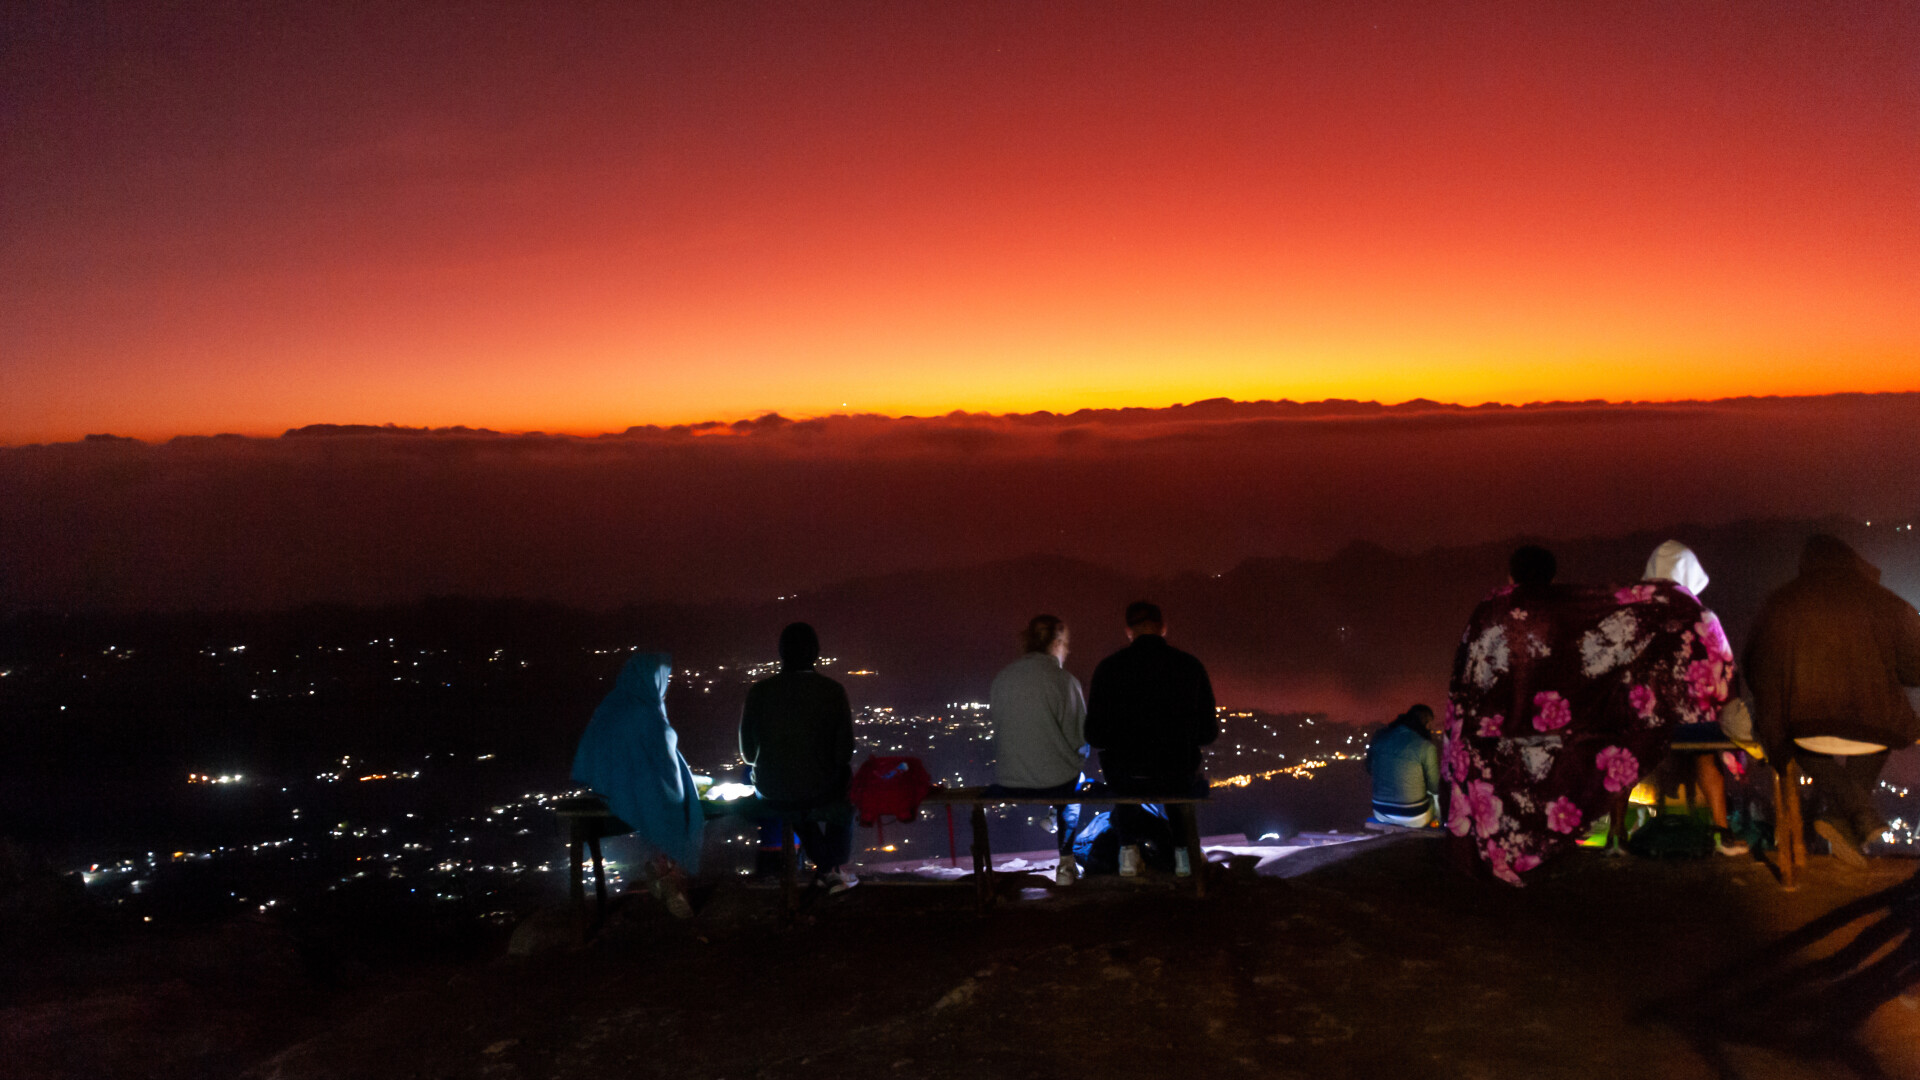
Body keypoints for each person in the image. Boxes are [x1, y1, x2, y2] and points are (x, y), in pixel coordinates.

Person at [1444, 546, 1733, 884]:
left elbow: (1466, 675)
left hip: (1491, 725)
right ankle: (1720, 832)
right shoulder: (1576, 611)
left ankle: (1500, 847)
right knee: (1624, 746)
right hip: (1555, 722)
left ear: (1511, 575)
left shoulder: (1489, 610)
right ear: (1553, 580)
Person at [1744, 534, 1920, 869]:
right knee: (1876, 732)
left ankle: (1851, 816)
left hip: (1805, 727)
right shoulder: (1887, 603)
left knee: (1795, 742)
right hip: (1875, 728)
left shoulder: (1779, 603)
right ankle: (1854, 816)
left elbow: (1755, 667)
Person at [1085, 601, 1217, 875]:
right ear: (1163, 627)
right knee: (1178, 780)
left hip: (1125, 775)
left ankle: (1128, 855)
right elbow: (1208, 733)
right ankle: (1183, 857)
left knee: (1123, 779)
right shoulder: (1190, 666)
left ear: (1128, 631)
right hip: (1177, 772)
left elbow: (1094, 735)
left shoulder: (1108, 669)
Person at [571, 652, 705, 918]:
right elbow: (666, 768)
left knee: (662, 801)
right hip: (628, 799)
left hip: (604, 792)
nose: (666, 687)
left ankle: (662, 870)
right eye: (664, 679)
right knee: (680, 808)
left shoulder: (611, 704)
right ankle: (672, 877)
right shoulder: (648, 714)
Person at [1640, 541, 1748, 856]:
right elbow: (1726, 668)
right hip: (1697, 726)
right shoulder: (1704, 617)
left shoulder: (1636, 616)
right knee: (1707, 757)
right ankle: (1721, 832)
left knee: (1624, 759)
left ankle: (1616, 836)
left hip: (1647, 723)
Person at [739, 622, 858, 891]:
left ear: (781, 653)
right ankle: (835, 863)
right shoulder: (833, 691)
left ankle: (829, 868)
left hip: (772, 792)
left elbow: (748, 755)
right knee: (844, 785)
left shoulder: (758, 692)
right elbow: (843, 754)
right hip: (820, 791)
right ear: (815, 653)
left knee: (793, 805)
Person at [987, 614, 1089, 884]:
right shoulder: (1065, 681)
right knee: (1077, 780)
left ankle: (1054, 814)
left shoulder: (1003, 678)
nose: (1068, 650)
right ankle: (1066, 863)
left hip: (1008, 780)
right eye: (1066, 643)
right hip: (1056, 784)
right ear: (1056, 642)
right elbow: (1080, 738)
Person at [1366, 704, 1441, 827]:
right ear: (1425, 723)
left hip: (1380, 811)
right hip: (1415, 816)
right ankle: (1439, 826)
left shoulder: (1380, 737)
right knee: (1436, 795)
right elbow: (1434, 787)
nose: (1430, 729)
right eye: (1429, 725)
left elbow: (1369, 768)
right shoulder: (1426, 746)